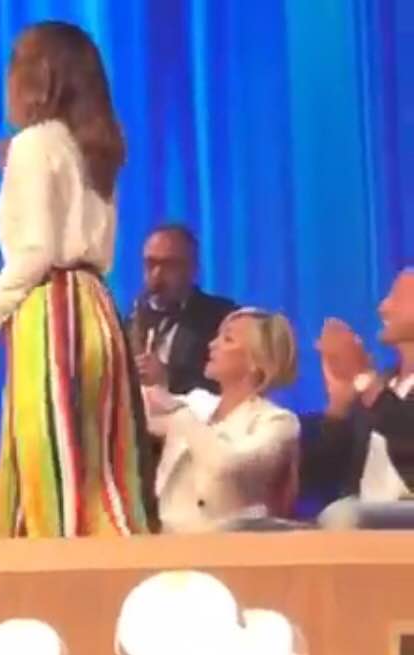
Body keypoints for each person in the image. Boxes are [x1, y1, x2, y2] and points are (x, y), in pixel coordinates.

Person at [0, 21, 154, 537]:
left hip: (54, 315)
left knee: (51, 466)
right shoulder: (93, 149)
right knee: (102, 469)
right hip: (96, 310)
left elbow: (36, 252)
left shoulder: (35, 144)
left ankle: (53, 576)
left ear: (37, 77)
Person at [143, 308, 300, 531]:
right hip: (163, 536)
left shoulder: (277, 422)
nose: (212, 344)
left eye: (227, 339)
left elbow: (225, 466)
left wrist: (183, 418)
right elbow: (140, 411)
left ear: (256, 361)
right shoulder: (199, 403)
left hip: (228, 542)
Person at [305, 269, 414, 497]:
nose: (383, 308)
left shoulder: (373, 390)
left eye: (397, 298)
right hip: (362, 515)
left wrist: (362, 375)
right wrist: (338, 406)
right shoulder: (382, 386)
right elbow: (320, 475)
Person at [128, 224, 236, 394]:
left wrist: (168, 378)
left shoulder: (222, 317)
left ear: (192, 268)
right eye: (150, 264)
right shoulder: (131, 319)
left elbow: (232, 384)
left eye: (169, 265)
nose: (156, 275)